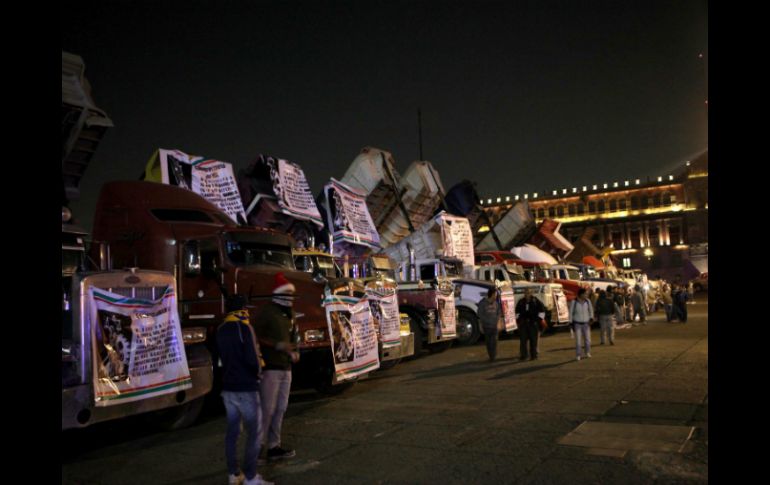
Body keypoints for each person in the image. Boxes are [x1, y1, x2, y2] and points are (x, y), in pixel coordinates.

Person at [217, 295, 273, 485]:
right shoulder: (244, 327)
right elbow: (252, 358)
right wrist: (258, 372)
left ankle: (233, 473)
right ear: (242, 308)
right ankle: (250, 476)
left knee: (232, 432)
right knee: (255, 434)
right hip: (246, 387)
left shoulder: (222, 329)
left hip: (228, 388)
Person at [255, 273, 300, 463]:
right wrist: (276, 345)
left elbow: (293, 338)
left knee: (280, 408)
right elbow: (254, 336)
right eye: (287, 293)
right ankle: (257, 449)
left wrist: (294, 350)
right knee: (267, 409)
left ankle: (274, 446)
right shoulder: (267, 312)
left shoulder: (289, 315)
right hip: (271, 367)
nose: (290, 297)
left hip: (285, 367)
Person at [515, 288, 546, 361]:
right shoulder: (521, 302)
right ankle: (523, 356)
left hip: (533, 324)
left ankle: (533, 355)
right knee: (523, 341)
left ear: (531, 293)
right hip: (524, 324)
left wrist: (538, 321)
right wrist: (519, 321)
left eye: (528, 293)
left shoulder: (536, 301)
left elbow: (542, 311)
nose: (527, 294)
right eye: (526, 293)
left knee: (533, 341)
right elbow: (516, 312)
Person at [477, 288, 501, 361]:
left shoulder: (496, 303)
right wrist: (484, 322)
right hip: (487, 327)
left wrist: (498, 322)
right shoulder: (482, 303)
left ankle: (493, 357)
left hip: (494, 326)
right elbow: (479, 314)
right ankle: (491, 355)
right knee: (488, 342)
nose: (496, 296)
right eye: (495, 295)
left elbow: (499, 313)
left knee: (494, 341)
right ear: (492, 295)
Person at [570, 288, 594, 361]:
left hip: (586, 323)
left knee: (588, 340)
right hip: (577, 324)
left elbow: (591, 310)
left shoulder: (587, 301)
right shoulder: (574, 302)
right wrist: (570, 322)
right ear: (581, 294)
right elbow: (570, 312)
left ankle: (587, 352)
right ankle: (578, 354)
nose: (586, 295)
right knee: (578, 341)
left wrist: (591, 317)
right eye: (585, 294)